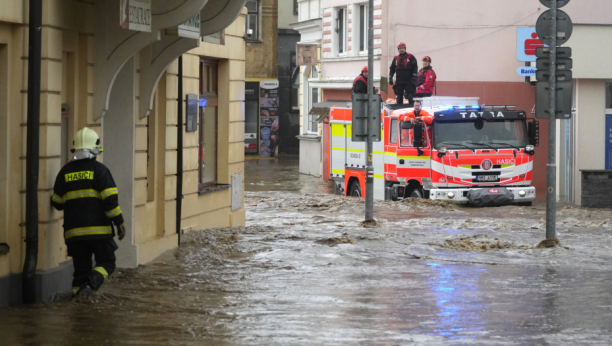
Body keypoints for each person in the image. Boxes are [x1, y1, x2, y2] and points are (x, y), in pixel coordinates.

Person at [51, 127, 127, 298]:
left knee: (80, 271)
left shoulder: (64, 172)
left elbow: (57, 203)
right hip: (99, 232)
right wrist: (120, 223)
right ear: (95, 148)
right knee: (107, 262)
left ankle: (78, 308)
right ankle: (90, 285)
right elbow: (111, 203)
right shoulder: (100, 171)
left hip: (74, 234)